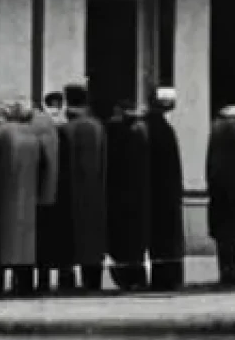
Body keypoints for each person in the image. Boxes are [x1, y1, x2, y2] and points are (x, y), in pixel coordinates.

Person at [0, 98, 44, 296]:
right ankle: (25, 284)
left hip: (0, 195)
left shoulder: (0, 133)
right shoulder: (34, 135)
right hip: (29, 197)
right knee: (25, 244)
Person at [55, 82, 107, 292]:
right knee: (93, 240)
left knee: (69, 239)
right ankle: (93, 279)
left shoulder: (66, 129)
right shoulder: (98, 127)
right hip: (96, 193)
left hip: (70, 194)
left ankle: (67, 280)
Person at [106, 101, 151, 291]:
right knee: (134, 243)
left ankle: (124, 276)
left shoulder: (112, 139)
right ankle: (136, 275)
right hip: (136, 199)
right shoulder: (138, 140)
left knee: (121, 243)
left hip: (117, 199)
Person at [146, 87, 185, 291]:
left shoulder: (153, 127)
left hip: (158, 191)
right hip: (165, 192)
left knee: (161, 238)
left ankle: (163, 276)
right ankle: (168, 277)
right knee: (167, 238)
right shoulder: (163, 128)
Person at [206, 105, 235, 287]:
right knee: (228, 239)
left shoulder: (218, 136)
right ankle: (229, 272)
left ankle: (227, 272)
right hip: (232, 196)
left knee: (224, 239)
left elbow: (211, 168)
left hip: (220, 195)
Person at [31, 97, 61, 293]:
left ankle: (40, 279)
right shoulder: (52, 129)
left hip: (37, 194)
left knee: (39, 240)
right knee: (46, 241)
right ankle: (44, 278)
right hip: (50, 193)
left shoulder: (38, 127)